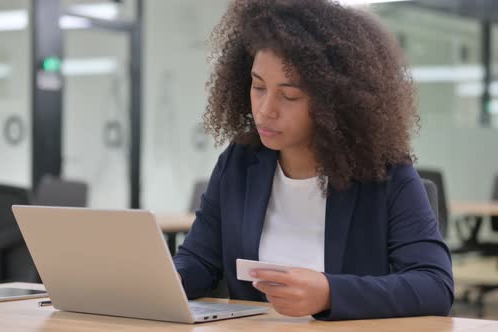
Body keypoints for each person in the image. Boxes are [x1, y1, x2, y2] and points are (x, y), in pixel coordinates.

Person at [172, 0, 453, 321]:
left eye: (289, 95)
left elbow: (434, 285)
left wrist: (330, 293)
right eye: (258, 86)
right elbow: (200, 258)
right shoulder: (239, 163)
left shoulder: (385, 172)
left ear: (333, 100)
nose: (265, 110)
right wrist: (174, 278)